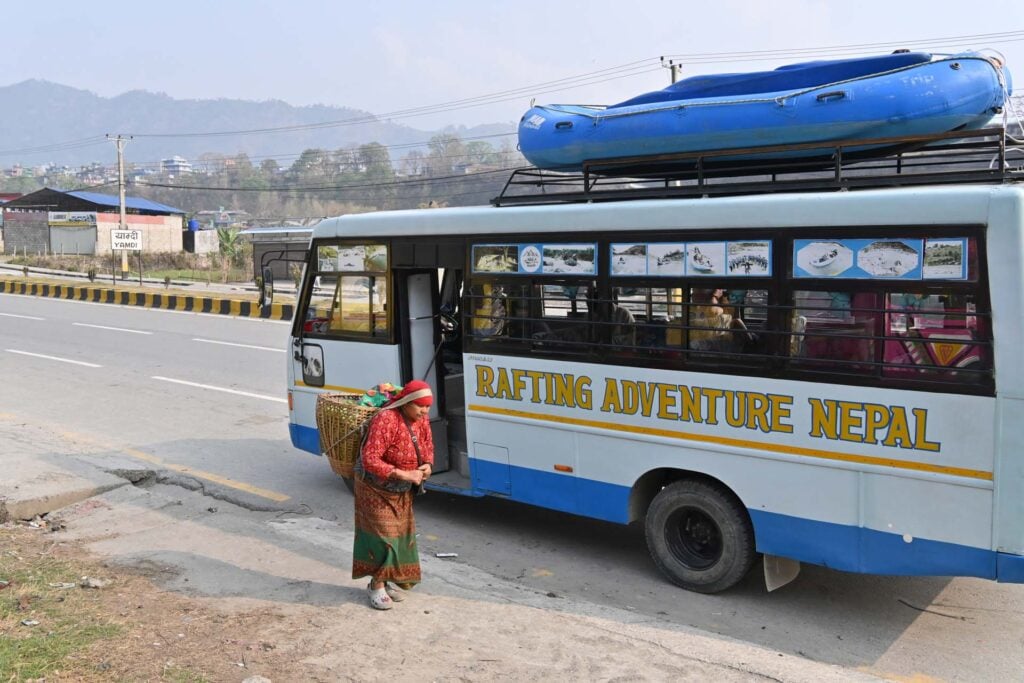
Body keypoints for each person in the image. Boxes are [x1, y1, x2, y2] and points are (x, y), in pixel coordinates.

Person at [352, 380, 434, 610]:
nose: (425, 411)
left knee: (398, 537)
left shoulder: (422, 420)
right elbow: (370, 459)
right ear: (407, 402)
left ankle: (385, 582)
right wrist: (403, 474)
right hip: (373, 488)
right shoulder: (386, 420)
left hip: (401, 490)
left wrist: (427, 464)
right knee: (384, 538)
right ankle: (376, 586)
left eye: (428, 407)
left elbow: (427, 446)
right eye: (421, 406)